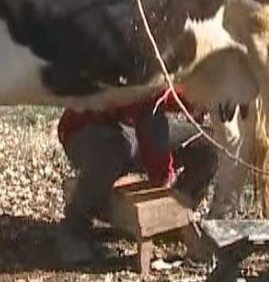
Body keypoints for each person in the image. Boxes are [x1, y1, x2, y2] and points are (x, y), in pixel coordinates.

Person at [56, 87, 218, 264]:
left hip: (136, 123)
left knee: (207, 145)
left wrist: (201, 98)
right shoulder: (144, 68)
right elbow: (146, 112)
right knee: (115, 151)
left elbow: (169, 98)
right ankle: (74, 228)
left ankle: (173, 218)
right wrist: (162, 175)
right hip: (87, 127)